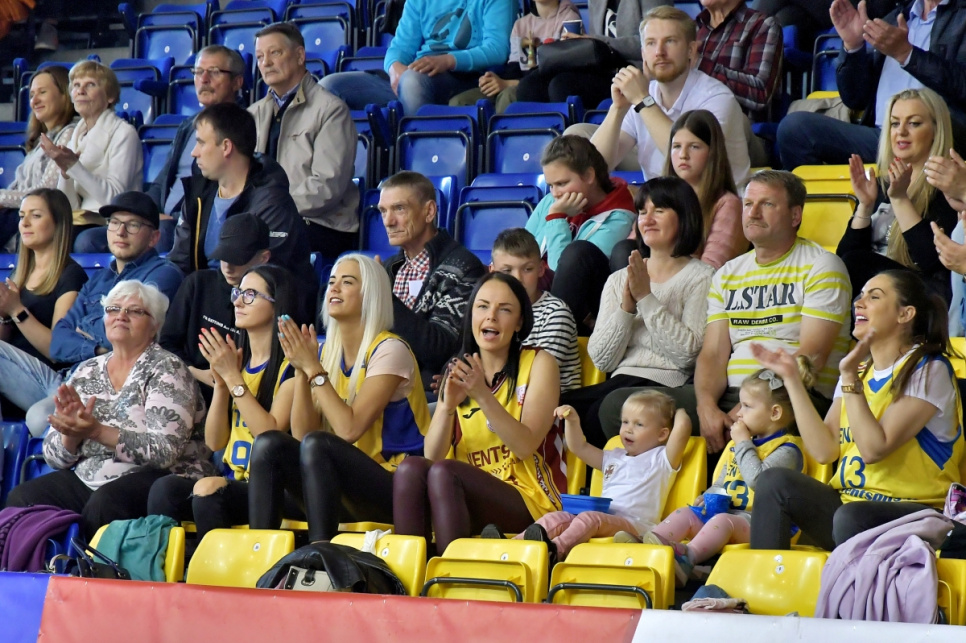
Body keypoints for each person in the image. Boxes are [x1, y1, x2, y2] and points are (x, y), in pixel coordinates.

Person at [597, 170, 853, 457]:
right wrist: (706, 407)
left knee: (752, 421)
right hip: (730, 395)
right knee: (618, 407)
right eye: (748, 204)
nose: (753, 213)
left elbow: (811, 357)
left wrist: (747, 408)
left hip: (792, 397)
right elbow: (713, 354)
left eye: (767, 204)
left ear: (795, 216)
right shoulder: (729, 273)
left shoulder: (822, 266)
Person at [750, 269, 964, 550]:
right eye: (860, 295)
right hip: (850, 508)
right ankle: (767, 577)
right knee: (773, 482)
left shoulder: (928, 369)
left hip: (916, 513)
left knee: (852, 517)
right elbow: (825, 450)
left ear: (905, 314)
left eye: (874, 297)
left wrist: (850, 379)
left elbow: (874, 449)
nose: (858, 303)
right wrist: (791, 379)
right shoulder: (858, 370)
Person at [4, 281, 215, 539]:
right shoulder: (86, 370)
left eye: (134, 311)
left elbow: (164, 452)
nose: (121, 316)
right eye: (113, 309)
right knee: (22, 498)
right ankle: (40, 563)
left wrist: (96, 431)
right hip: (91, 477)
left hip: (162, 478)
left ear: (155, 326)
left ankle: (86, 565)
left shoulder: (168, 369)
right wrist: (71, 433)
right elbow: (53, 457)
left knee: (106, 503)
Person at [247, 254, 430, 543]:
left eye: (347, 282)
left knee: (321, 445)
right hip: (340, 483)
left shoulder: (390, 350)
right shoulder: (324, 353)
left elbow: (348, 429)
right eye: (332, 281)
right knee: (270, 444)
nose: (334, 287)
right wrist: (301, 371)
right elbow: (303, 435)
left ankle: (321, 552)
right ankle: (258, 552)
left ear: (370, 294)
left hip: (396, 486)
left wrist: (313, 369)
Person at [393, 272, 565, 555]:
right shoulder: (458, 370)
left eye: (504, 309)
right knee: (410, 469)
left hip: (529, 499)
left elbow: (524, 446)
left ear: (519, 322)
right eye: (482, 306)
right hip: (458, 491)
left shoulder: (539, 362)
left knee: (445, 473)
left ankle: (452, 572)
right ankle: (408, 573)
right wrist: (447, 406)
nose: (491, 316)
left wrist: (482, 395)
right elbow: (432, 456)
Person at [0, 191, 182, 436]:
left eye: (133, 225)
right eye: (114, 223)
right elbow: (59, 341)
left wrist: (86, 334)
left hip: (112, 386)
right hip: (70, 377)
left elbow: (129, 338)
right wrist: (97, 348)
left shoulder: (163, 274)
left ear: (154, 238)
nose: (120, 232)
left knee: (40, 417)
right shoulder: (100, 279)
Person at [148, 265, 298, 541]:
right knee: (164, 489)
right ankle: (170, 565)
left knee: (209, 493)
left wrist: (232, 378)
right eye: (238, 293)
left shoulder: (291, 367)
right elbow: (215, 442)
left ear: (276, 305)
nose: (238, 301)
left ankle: (222, 567)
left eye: (250, 295)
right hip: (232, 479)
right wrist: (221, 384)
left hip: (272, 489)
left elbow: (270, 435)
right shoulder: (239, 362)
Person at [564, 177, 714, 447]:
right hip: (619, 381)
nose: (648, 219)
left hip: (666, 385)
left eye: (659, 210)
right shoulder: (619, 279)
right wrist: (626, 309)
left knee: (602, 411)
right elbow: (602, 360)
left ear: (685, 217)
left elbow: (688, 355)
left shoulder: (702, 277)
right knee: (559, 410)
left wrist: (646, 297)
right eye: (643, 211)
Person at [646, 362, 812, 585]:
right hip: (729, 518)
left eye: (747, 406)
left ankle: (687, 559)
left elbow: (759, 482)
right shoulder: (740, 445)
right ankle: (649, 549)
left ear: (775, 412)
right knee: (686, 513)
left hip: (765, 527)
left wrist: (742, 442)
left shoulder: (787, 450)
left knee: (723, 520)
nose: (739, 413)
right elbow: (722, 483)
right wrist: (708, 495)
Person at [74, 46, 247, 256]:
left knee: (162, 234)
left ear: (237, 82)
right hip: (162, 219)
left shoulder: (241, 128)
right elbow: (161, 183)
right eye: (199, 72)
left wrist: (176, 217)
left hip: (193, 221)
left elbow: (224, 188)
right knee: (87, 240)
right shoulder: (188, 126)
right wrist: (142, 213)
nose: (204, 79)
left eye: (215, 72)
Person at [776, 0, 966, 169]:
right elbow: (855, 99)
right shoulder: (896, 17)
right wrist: (853, 47)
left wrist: (907, 54)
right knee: (794, 130)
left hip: (938, 138)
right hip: (882, 138)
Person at [166, 102, 315, 313]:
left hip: (257, 311)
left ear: (226, 147)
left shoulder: (272, 202)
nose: (193, 152)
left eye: (200, 143)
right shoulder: (198, 193)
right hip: (206, 304)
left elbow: (267, 280)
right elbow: (178, 262)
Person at [508, 393, 690, 562]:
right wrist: (572, 421)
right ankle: (513, 546)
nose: (628, 429)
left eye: (639, 424)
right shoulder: (613, 456)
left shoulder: (662, 459)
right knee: (556, 518)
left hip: (635, 526)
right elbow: (579, 447)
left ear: (662, 434)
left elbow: (682, 427)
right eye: (625, 422)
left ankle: (556, 551)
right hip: (603, 519)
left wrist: (677, 410)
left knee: (590, 518)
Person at [588, 6, 750, 183]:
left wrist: (643, 100)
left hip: (714, 199)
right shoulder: (642, 95)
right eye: (651, 43)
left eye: (670, 41)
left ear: (691, 50)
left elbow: (688, 162)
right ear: (643, 53)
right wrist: (618, 109)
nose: (659, 52)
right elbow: (594, 168)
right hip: (661, 199)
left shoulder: (716, 98)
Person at [249, 23, 360, 259]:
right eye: (259, 57)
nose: (265, 63)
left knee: (257, 248)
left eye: (275, 53)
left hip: (320, 224)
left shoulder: (331, 110)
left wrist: (272, 208)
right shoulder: (253, 114)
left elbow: (327, 187)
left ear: (300, 56)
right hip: (267, 219)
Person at [839, 88, 958, 303]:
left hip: (921, 299)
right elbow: (842, 262)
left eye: (914, 123)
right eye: (895, 123)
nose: (901, 131)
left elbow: (932, 262)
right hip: (871, 297)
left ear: (936, 130)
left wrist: (900, 199)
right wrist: (865, 206)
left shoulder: (949, 186)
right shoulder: (880, 185)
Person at [379, 171, 486, 391]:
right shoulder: (388, 269)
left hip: (424, 392)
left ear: (429, 211)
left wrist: (382, 297)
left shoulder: (464, 268)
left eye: (399, 209)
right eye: (383, 211)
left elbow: (440, 348)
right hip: (380, 383)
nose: (388, 221)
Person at [318, 0, 515, 114]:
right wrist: (395, 69)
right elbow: (399, 48)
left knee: (412, 80)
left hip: (464, 77)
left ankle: (418, 161)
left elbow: (497, 49)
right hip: (413, 78)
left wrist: (447, 61)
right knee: (329, 86)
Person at [525, 135, 635, 334]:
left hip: (579, 311)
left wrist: (557, 218)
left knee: (576, 252)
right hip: (534, 297)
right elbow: (521, 249)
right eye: (551, 185)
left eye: (562, 183)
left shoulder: (619, 218)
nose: (555, 193)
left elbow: (565, 275)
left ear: (589, 176)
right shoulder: (550, 201)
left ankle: (548, 335)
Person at [611, 109, 746, 272]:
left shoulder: (727, 203)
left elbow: (710, 269)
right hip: (649, 276)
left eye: (694, 147)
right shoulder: (655, 195)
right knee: (621, 250)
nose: (683, 155)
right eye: (676, 146)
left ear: (712, 152)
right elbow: (634, 243)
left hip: (694, 283)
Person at [159, 214, 273, 406]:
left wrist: (230, 379)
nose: (228, 267)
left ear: (263, 258)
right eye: (223, 257)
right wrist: (196, 372)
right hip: (187, 384)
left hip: (243, 395)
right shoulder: (198, 284)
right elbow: (166, 343)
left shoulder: (270, 299)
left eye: (237, 259)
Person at [0, 189, 87, 421]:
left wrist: (17, 310)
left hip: (50, 383)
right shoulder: (19, 274)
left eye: (36, 216)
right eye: (21, 216)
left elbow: (58, 350)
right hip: (13, 376)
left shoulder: (71, 275)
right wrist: (4, 315)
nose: (25, 223)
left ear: (58, 223)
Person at [38, 61, 142, 244]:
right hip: (83, 220)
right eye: (76, 85)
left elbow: (114, 199)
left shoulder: (124, 133)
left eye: (90, 85)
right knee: (38, 233)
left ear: (110, 97)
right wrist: (65, 173)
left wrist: (74, 166)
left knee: (82, 241)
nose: (80, 91)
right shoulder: (76, 136)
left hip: (117, 222)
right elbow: (70, 207)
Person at [516, 0, 671, 107]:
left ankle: (574, 142)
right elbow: (596, 47)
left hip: (632, 70)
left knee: (562, 85)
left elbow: (653, 43)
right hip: (603, 66)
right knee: (529, 86)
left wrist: (597, 40)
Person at [449, 0, 580, 113]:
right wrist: (494, 80)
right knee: (459, 102)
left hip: (542, 87)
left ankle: (501, 134)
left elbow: (559, 73)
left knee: (508, 96)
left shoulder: (570, 19)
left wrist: (507, 84)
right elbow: (513, 67)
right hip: (516, 82)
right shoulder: (520, 24)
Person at [490, 228, 580, 391]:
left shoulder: (555, 313)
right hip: (498, 395)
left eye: (527, 269)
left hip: (551, 402)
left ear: (541, 269)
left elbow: (536, 378)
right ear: (493, 272)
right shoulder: (488, 313)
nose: (517, 278)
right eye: (507, 271)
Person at [0, 67, 77, 248]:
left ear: (65, 95)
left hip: (38, 215)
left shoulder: (70, 133)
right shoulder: (39, 141)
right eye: (32, 95)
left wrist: (2, 197)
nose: (35, 101)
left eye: (42, 92)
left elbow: (48, 190)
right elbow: (16, 187)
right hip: (18, 212)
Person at [695, 0, 783, 116]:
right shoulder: (692, 29)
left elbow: (761, 92)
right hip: (686, 118)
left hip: (736, 121)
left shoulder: (763, 25)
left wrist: (700, 64)